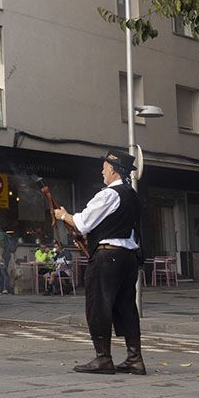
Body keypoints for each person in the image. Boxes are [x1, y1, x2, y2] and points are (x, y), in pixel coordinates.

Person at [52, 148, 146, 375]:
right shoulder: (132, 195)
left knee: (98, 305)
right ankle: (135, 359)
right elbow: (112, 226)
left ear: (113, 170)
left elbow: (83, 222)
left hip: (107, 258)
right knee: (126, 307)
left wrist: (63, 216)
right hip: (128, 257)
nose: (101, 172)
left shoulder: (109, 194)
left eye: (104, 168)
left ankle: (103, 358)